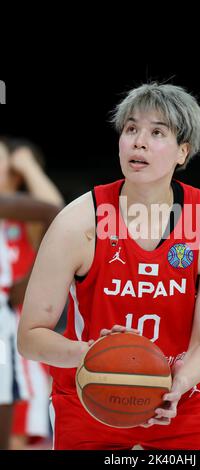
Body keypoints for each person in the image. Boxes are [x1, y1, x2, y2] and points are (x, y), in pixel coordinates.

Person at [18, 83, 200, 450]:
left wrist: (176, 387)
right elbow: (30, 337)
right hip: (91, 397)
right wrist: (88, 353)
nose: (139, 142)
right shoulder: (78, 222)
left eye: (157, 132)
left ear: (182, 152)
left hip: (182, 398)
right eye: (131, 129)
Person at [0, 138, 64, 450]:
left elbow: (58, 216)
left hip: (13, 341)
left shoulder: (23, 216)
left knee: (15, 437)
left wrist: (26, 165)